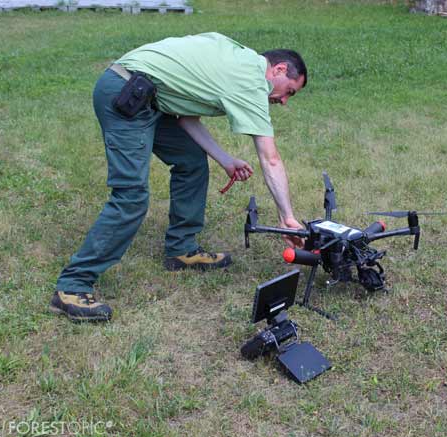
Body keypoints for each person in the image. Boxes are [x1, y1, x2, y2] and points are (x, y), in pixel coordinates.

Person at [50, 32, 307, 323]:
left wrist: (224, 159)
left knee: (191, 161)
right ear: (279, 69)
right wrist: (287, 216)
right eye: (289, 91)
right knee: (131, 197)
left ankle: (181, 249)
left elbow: (185, 114)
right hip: (126, 93)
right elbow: (269, 158)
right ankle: (71, 287)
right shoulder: (250, 78)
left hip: (149, 96)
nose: (284, 101)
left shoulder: (238, 58)